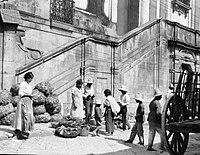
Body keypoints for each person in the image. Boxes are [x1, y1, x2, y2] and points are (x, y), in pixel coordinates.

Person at [13, 72, 35, 140]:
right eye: (30, 78)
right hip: (23, 101)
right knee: (24, 115)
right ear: (27, 78)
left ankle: (26, 129)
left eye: (31, 78)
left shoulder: (29, 84)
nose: (31, 80)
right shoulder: (23, 84)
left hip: (28, 101)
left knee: (29, 115)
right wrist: (28, 95)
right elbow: (20, 93)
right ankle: (22, 130)